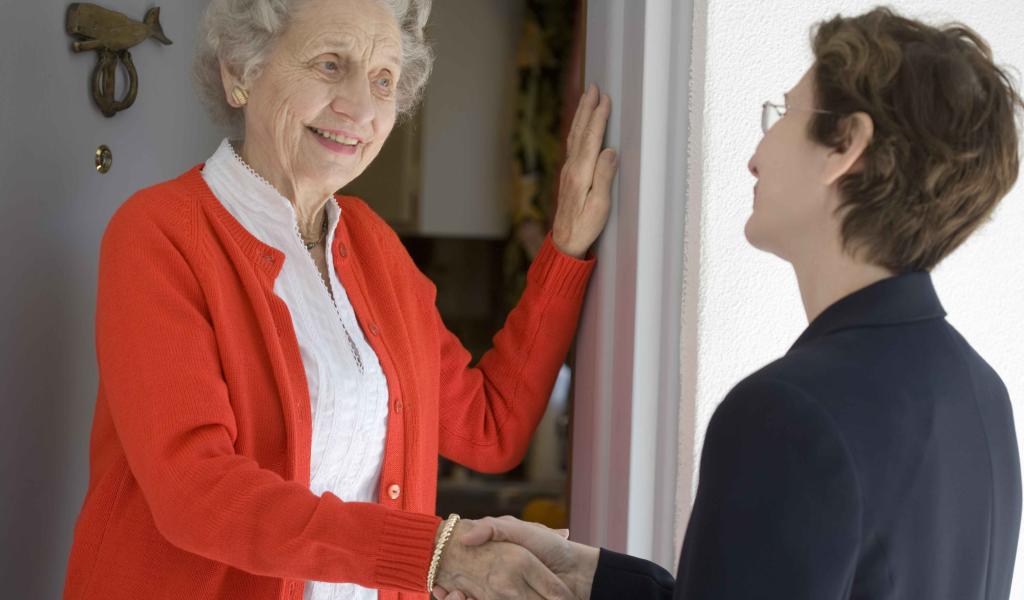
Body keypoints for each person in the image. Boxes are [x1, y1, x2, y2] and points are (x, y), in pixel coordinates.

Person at [434, 7, 1023, 600]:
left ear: (847, 146)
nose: (756, 153)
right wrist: (589, 576)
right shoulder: (982, 395)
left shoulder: (785, 414)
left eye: (785, 113)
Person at [62, 0, 618, 598]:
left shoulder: (373, 246)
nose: (360, 108)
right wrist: (432, 556)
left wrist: (564, 248)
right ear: (239, 73)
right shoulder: (159, 233)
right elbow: (195, 493)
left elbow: (489, 427)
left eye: (383, 80)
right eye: (330, 65)